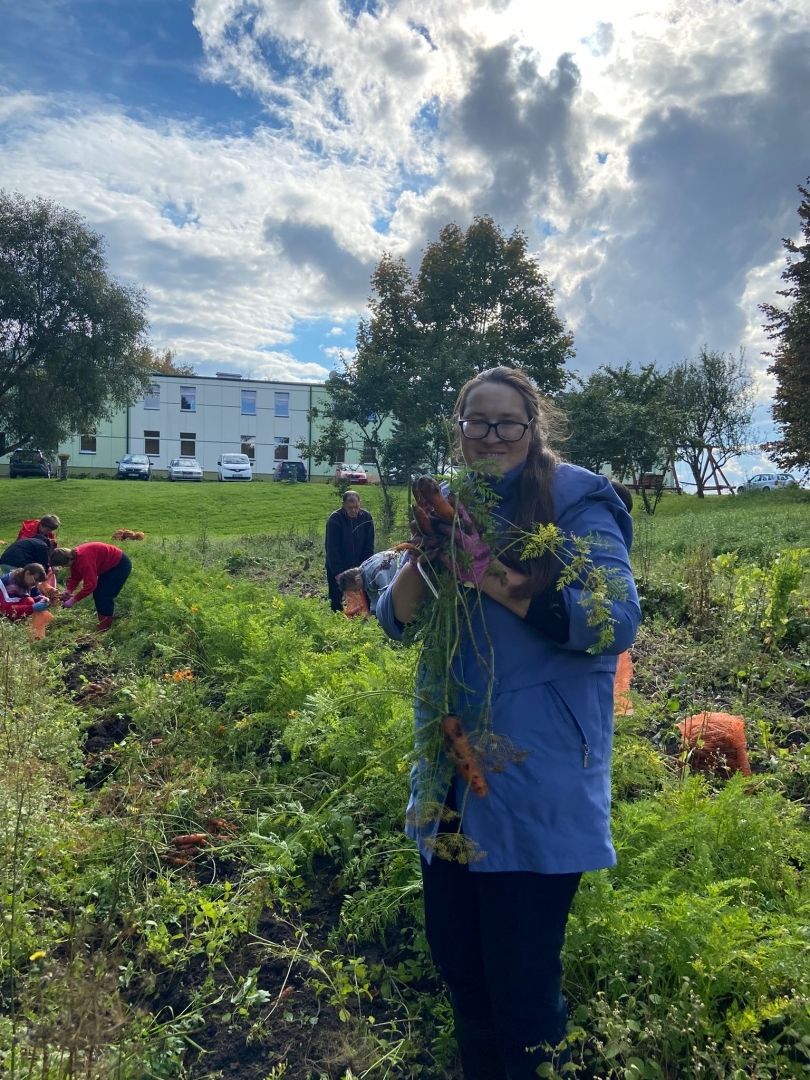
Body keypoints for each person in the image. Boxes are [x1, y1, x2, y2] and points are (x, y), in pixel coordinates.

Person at [375, 367, 641, 1080]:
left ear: (533, 428)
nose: (490, 436)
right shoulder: (452, 500)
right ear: (458, 430)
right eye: (475, 422)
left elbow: (614, 619)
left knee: (522, 984)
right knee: (460, 964)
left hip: (535, 772)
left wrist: (486, 570)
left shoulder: (578, 498)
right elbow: (394, 621)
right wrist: (427, 558)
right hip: (451, 776)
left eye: (506, 423)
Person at [49, 543, 132, 632]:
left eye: (64, 565)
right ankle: (103, 622)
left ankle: (104, 627)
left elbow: (91, 585)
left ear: (69, 558)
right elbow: (75, 576)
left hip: (119, 564)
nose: (64, 567)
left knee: (104, 596)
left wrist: (73, 600)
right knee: (97, 594)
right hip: (108, 565)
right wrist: (69, 590)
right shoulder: (74, 558)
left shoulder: (84, 560)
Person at [324, 490, 374, 613]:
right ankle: (336, 620)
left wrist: (365, 567)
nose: (353, 511)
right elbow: (332, 548)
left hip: (359, 565)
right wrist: (337, 573)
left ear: (360, 503)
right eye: (350, 507)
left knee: (365, 596)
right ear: (343, 505)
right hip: (338, 565)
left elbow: (369, 545)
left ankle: (367, 620)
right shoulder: (335, 519)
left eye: (356, 507)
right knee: (336, 598)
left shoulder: (366, 518)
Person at [335, 549, 407, 617]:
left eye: (354, 589)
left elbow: (388, 599)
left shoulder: (378, 575)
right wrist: (373, 619)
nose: (356, 591)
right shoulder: (364, 576)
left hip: (405, 563)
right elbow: (374, 600)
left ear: (357, 580)